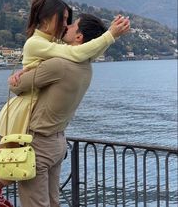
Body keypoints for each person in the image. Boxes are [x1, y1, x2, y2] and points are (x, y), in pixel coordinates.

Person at [0, 0, 130, 189]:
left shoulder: (52, 42)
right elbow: (76, 52)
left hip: (31, 106)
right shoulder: (37, 42)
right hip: (24, 109)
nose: (65, 24)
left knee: (5, 177)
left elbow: (85, 51)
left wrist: (108, 36)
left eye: (69, 20)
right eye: (64, 18)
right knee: (6, 172)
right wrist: (110, 35)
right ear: (48, 18)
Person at [8, 13, 130, 207]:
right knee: (53, 201)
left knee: (35, 203)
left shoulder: (59, 65)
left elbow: (16, 86)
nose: (67, 26)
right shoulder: (86, 67)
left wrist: (17, 75)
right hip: (58, 142)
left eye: (73, 25)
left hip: (38, 143)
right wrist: (110, 35)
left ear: (79, 37)